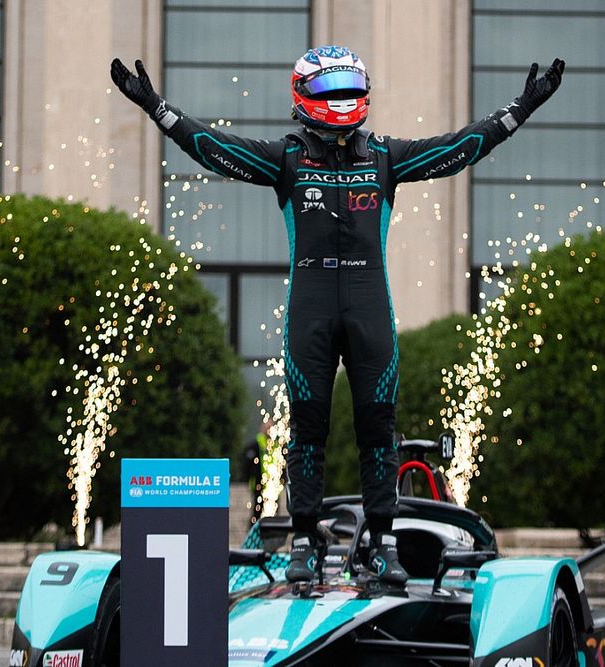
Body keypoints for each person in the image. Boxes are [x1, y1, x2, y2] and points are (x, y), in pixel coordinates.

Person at [111, 46, 564, 587]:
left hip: (371, 310)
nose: (342, 100)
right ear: (303, 96)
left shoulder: (385, 157)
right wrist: (157, 108)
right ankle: (305, 539)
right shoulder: (286, 158)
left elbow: (456, 148)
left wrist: (520, 110)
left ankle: (383, 542)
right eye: (330, 91)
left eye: (349, 89)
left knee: (379, 430)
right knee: (308, 429)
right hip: (312, 310)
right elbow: (217, 149)